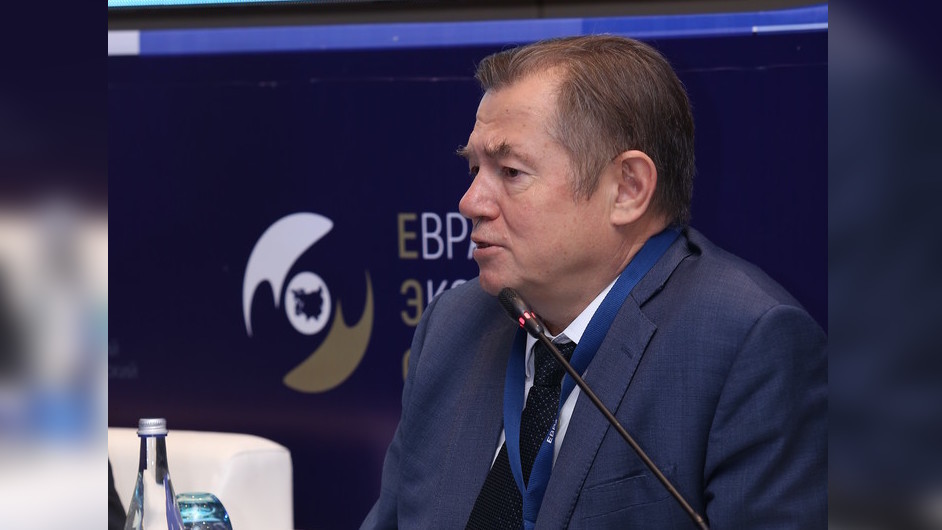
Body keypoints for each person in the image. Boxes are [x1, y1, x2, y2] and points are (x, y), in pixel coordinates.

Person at [361, 34, 826, 529]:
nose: (469, 202)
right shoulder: (453, 325)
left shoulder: (747, 349)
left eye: (511, 171)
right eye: (475, 169)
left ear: (628, 188)